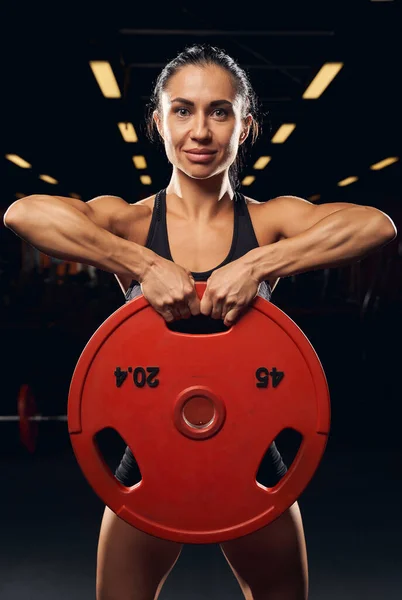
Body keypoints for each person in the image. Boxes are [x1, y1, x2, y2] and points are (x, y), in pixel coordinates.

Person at [4, 43, 396, 600]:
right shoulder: (133, 222)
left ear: (245, 126)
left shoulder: (270, 220)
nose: (201, 131)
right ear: (158, 122)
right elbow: (23, 213)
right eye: (183, 110)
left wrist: (258, 262)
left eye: (220, 111)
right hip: (150, 457)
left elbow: (376, 226)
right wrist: (142, 263)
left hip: (252, 455)